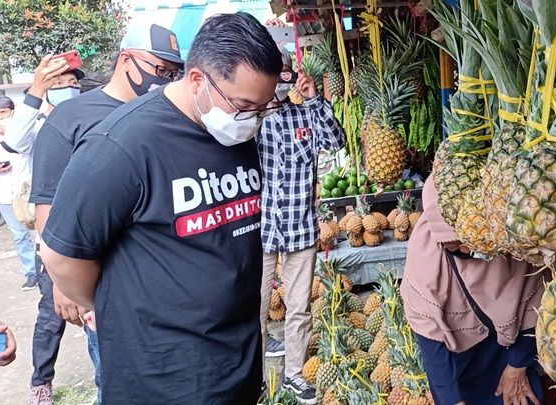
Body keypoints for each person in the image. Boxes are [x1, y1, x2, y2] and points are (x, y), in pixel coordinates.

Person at [40, 12, 282, 403]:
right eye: (244, 105)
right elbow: (62, 255)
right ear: (199, 79)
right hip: (161, 380)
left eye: (262, 109)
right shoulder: (121, 145)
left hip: (236, 365)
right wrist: (120, 308)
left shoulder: (234, 132)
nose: (252, 120)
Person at [28, 24, 184, 405]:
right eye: (157, 69)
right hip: (106, 289)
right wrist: (63, 285)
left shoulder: (167, 113)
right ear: (126, 59)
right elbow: (49, 208)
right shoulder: (70, 118)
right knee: (118, 384)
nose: (161, 80)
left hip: (163, 283)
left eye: (170, 73)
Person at [400, 178, 547, 405]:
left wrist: (517, 365)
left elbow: (536, 298)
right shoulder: (424, 262)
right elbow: (432, 346)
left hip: (516, 350)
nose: (467, 249)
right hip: (465, 365)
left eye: (473, 241)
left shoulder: (509, 240)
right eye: (454, 245)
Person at [257, 44, 344, 403]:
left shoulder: (305, 115)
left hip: (299, 228)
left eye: (285, 73)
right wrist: (259, 104)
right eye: (273, 74)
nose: (280, 81)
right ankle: (256, 378)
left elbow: (335, 141)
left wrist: (313, 99)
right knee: (255, 308)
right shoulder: (249, 114)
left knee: (299, 307)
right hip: (259, 231)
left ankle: (293, 374)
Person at [0, 96, 39, 290]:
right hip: (4, 194)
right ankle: (31, 272)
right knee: (19, 235)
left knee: (42, 233)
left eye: (3, 113)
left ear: (12, 112)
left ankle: (47, 270)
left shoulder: (29, 133)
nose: (0, 117)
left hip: (30, 191)